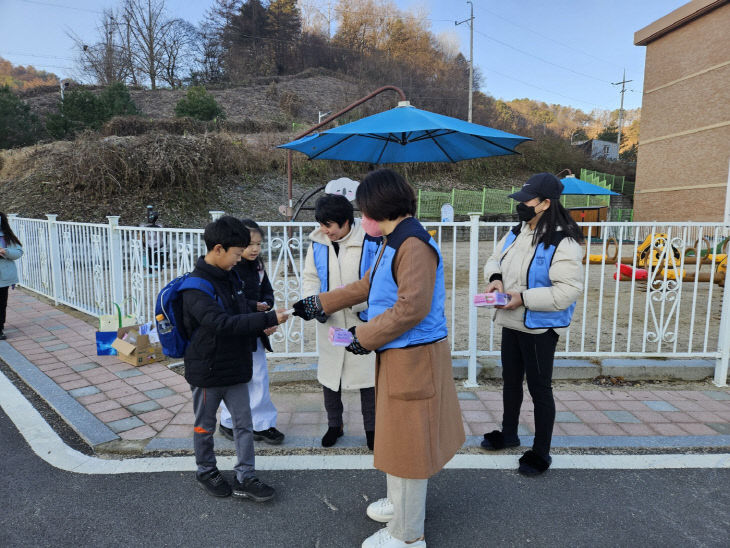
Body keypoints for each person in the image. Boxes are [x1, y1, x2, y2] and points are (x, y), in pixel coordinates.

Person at [294, 169, 465, 548]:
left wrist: (363, 337)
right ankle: (400, 505)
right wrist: (318, 302)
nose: (361, 217)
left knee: (410, 443)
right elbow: (368, 285)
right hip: (397, 352)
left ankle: (407, 534)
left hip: (414, 356)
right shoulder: (393, 239)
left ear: (377, 206)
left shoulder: (414, 244)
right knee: (397, 436)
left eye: (363, 209)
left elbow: (411, 308)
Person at [480, 172, 584, 476]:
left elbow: (567, 292)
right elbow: (493, 259)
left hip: (540, 327)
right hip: (512, 320)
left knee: (540, 389)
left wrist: (522, 297)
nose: (521, 205)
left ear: (545, 203)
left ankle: (541, 452)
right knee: (511, 382)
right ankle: (509, 433)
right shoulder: (517, 231)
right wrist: (495, 279)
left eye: (527, 200)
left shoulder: (563, 241)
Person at [182, 216, 289, 501]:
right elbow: (221, 323)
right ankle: (205, 470)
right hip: (207, 370)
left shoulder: (232, 276)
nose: (239, 259)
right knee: (204, 425)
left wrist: (259, 318)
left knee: (244, 424)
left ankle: (246, 476)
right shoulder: (195, 286)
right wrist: (265, 317)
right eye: (237, 254)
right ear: (218, 249)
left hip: (236, 366)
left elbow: (239, 309)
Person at [302, 194, 380, 449]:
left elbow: (379, 282)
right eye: (322, 224)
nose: (325, 230)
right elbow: (310, 277)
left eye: (330, 225)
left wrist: (362, 305)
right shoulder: (317, 243)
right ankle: (334, 425)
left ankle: (372, 429)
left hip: (363, 320)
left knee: (368, 379)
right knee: (330, 376)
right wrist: (314, 304)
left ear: (346, 222)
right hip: (330, 321)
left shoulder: (370, 241)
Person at [218, 219, 285, 445]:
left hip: (255, 330)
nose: (255, 249)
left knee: (259, 376)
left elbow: (267, 291)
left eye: (258, 244)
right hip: (235, 332)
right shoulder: (229, 268)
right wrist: (254, 307)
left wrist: (266, 305)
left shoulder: (258, 267)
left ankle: (263, 424)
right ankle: (229, 422)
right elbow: (230, 301)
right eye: (249, 244)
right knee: (236, 379)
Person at [0, 212, 23, 341]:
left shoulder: (7, 237)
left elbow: (19, 252)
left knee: (1, 303)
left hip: (4, 277)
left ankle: (0, 327)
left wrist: (5, 251)